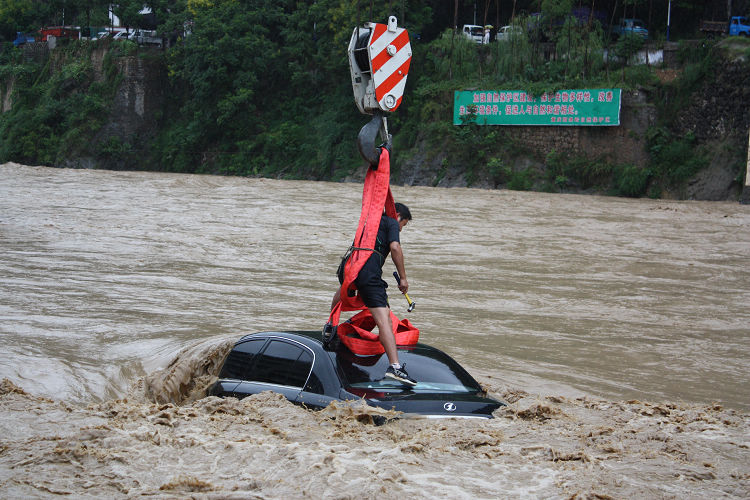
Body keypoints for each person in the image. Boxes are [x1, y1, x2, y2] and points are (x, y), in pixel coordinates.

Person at [331, 202, 416, 386]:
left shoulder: (371, 221)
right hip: (368, 272)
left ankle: (330, 326)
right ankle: (395, 367)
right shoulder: (392, 221)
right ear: (399, 215)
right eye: (404, 224)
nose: (401, 229)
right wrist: (403, 278)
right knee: (384, 318)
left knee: (344, 290)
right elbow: (395, 247)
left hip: (350, 266)